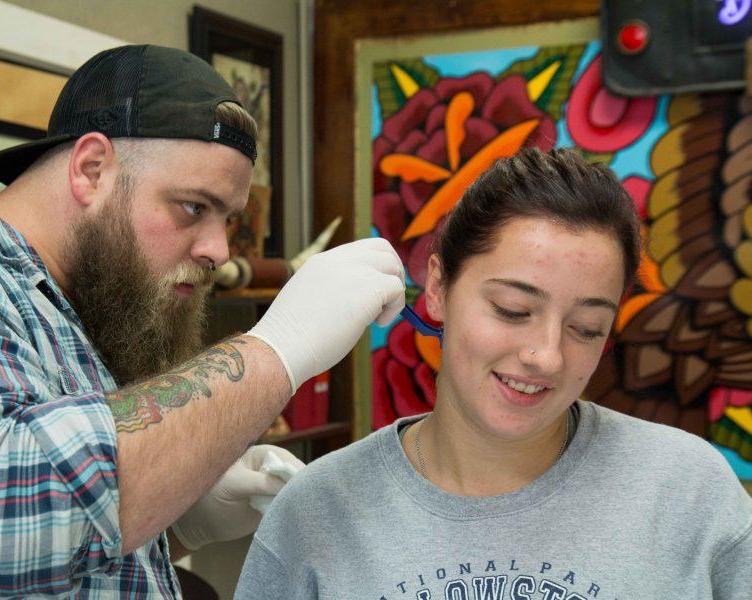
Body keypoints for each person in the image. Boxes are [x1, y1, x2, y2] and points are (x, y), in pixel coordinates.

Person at [0, 45, 406, 597]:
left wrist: (180, 526)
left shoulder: (88, 305)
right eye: (193, 206)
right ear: (92, 170)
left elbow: (66, 565)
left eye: (228, 219)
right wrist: (275, 351)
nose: (217, 249)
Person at [236, 147, 752, 599]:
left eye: (587, 328)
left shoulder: (690, 494)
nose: (547, 356)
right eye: (511, 309)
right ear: (437, 289)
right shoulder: (318, 513)